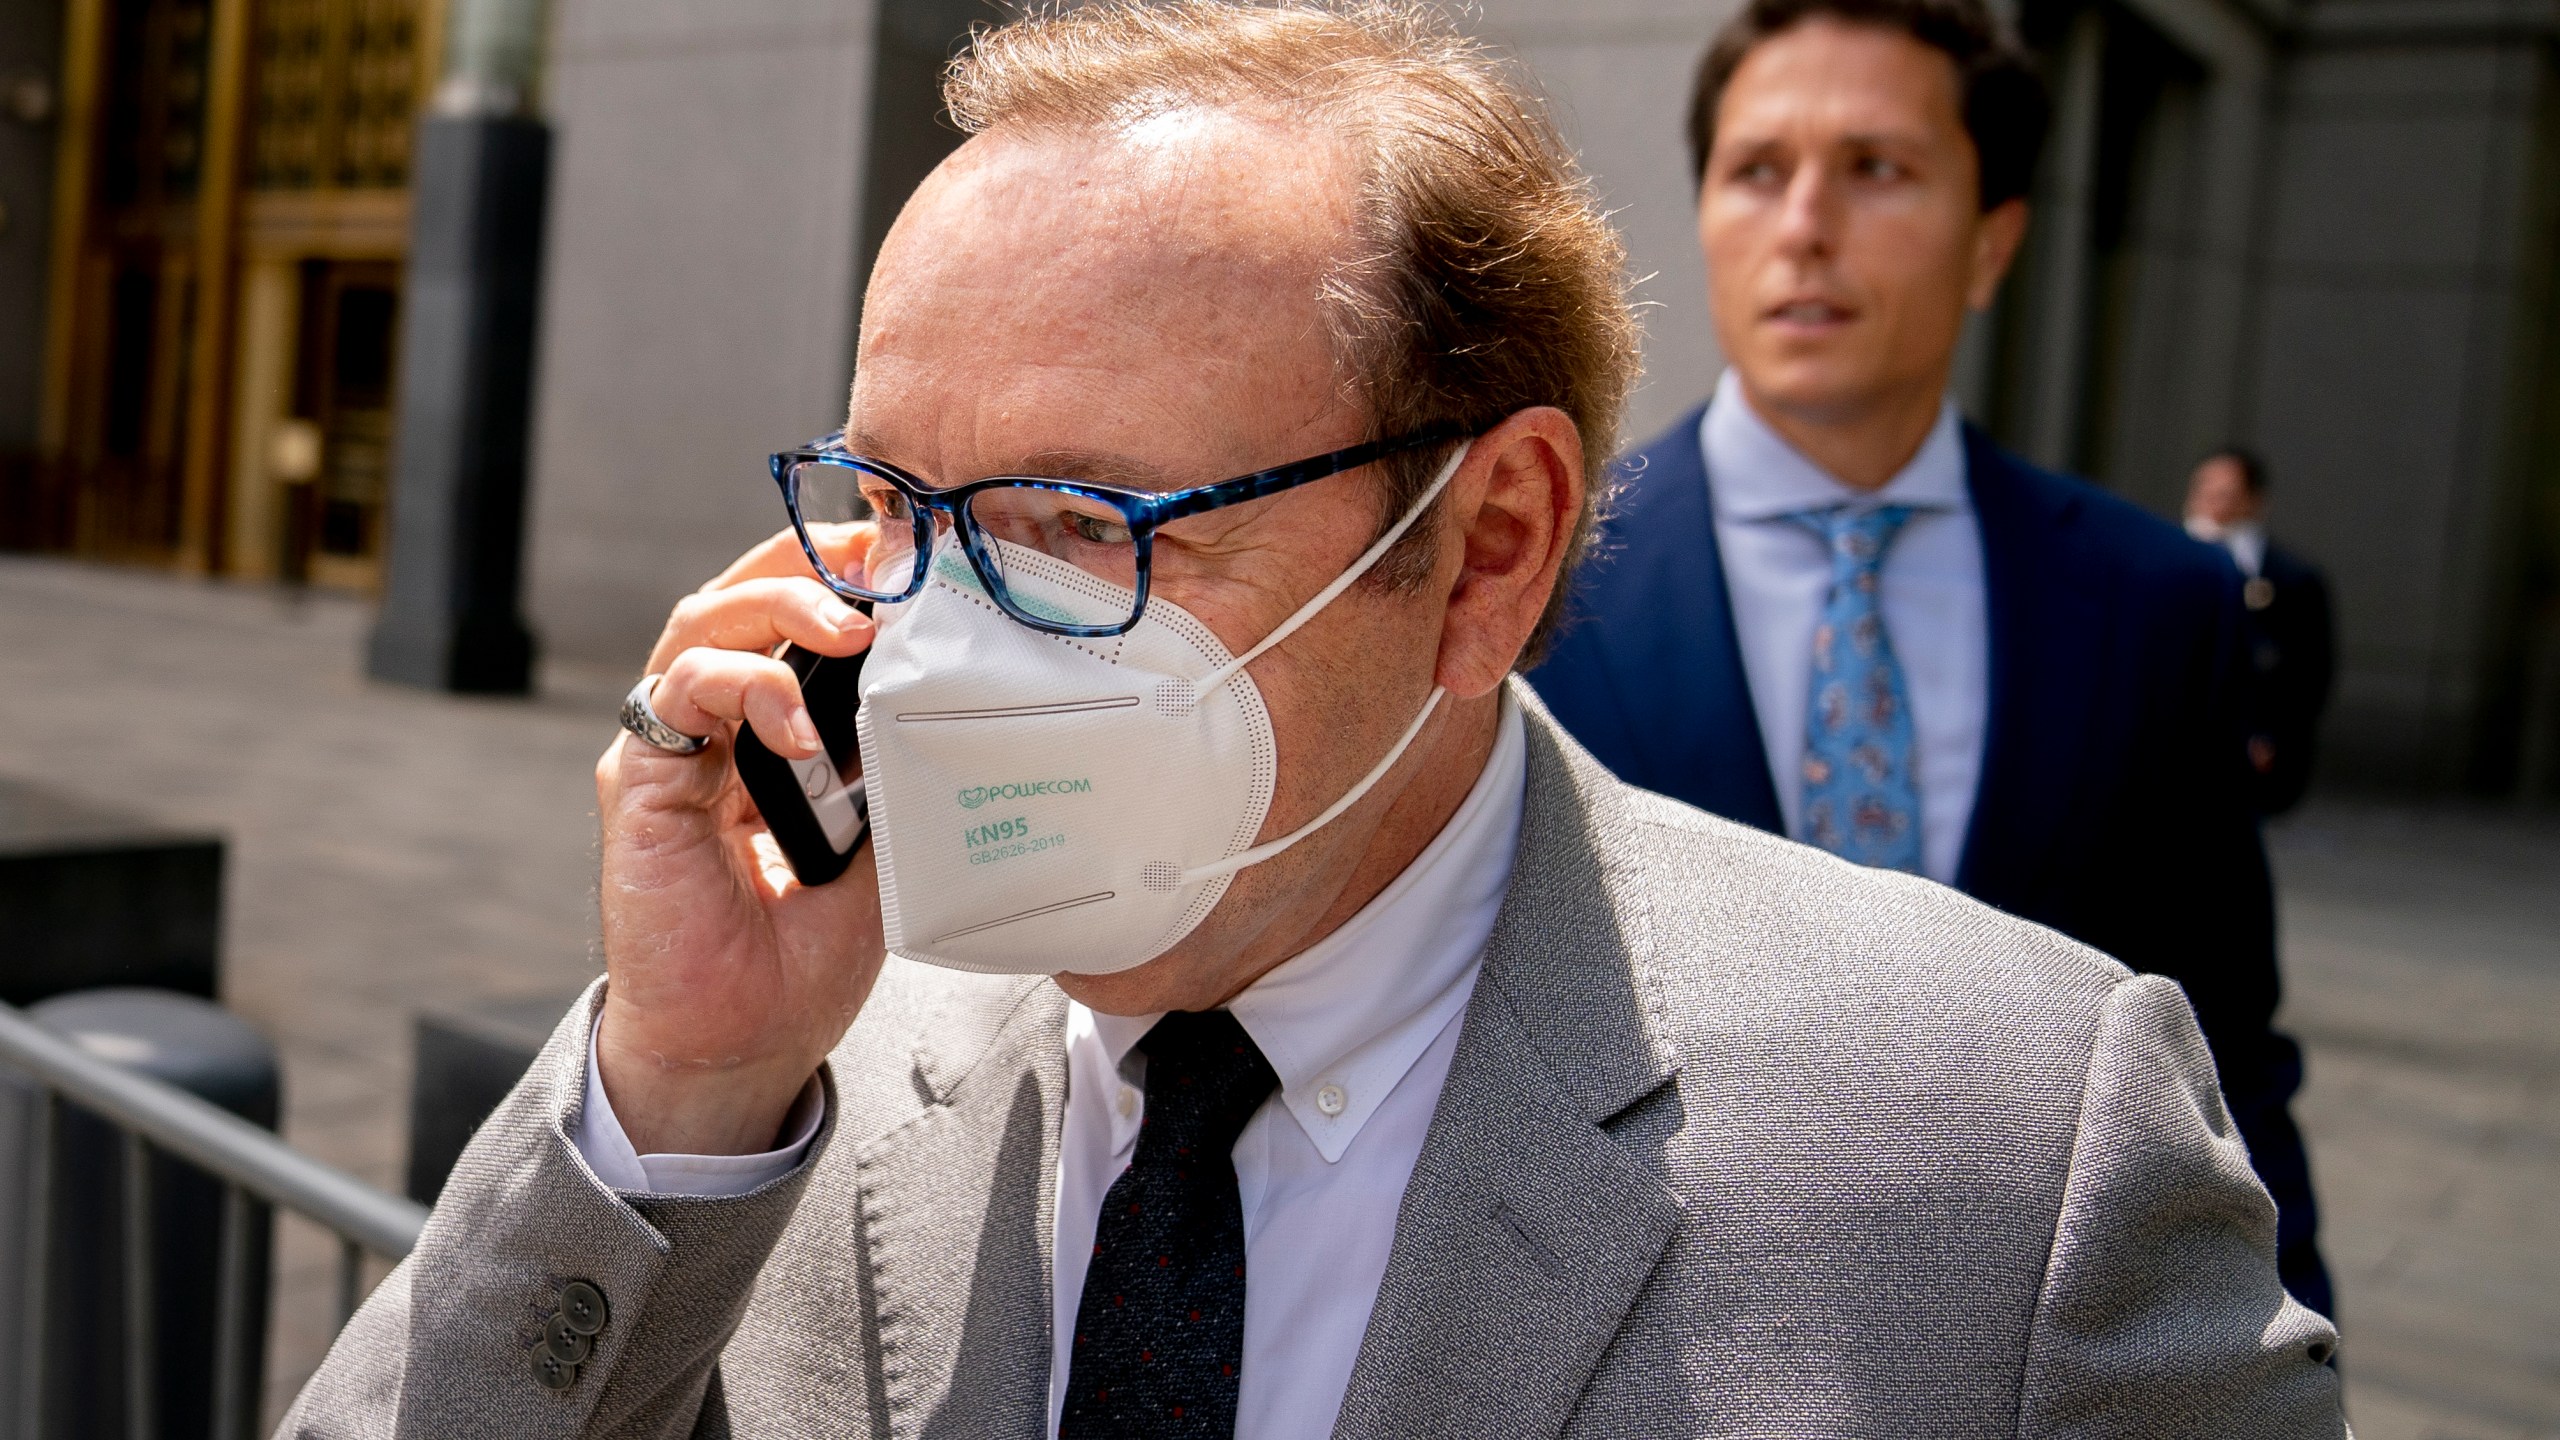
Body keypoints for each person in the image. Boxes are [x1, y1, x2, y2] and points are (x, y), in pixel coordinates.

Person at [283, 4, 2342, 1435]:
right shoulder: (795, 1057)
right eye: (893, 510)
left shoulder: (2001, 1151)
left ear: (1488, 547)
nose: (930, 637)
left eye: (1079, 525)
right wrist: (680, 1089)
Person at [1525, 0, 2335, 1318]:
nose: (1803, 226)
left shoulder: (2155, 604)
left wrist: (2286, 1341)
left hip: (2037, 1346)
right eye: (1757, 172)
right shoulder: (1538, 584)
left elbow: (2222, 1052)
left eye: (1876, 168)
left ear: (1992, 243)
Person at [2187, 446, 2338, 817]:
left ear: (2253, 501)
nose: (2211, 505)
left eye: (2225, 494)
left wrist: (2271, 735)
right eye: (2203, 491)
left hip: (2248, 747)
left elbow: (2309, 672)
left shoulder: (2291, 580)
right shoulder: (2163, 564)